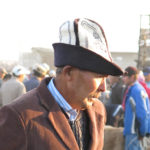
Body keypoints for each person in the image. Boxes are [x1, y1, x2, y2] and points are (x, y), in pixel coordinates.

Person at [0, 18, 123, 150]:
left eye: (106, 78)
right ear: (69, 72)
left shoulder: (98, 110)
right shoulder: (19, 117)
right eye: (99, 77)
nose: (103, 88)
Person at [122, 66, 150, 150]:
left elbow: (143, 114)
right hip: (131, 132)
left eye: (125, 76)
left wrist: (142, 132)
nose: (123, 79)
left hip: (135, 133)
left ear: (132, 77)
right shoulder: (132, 89)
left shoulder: (137, 91)